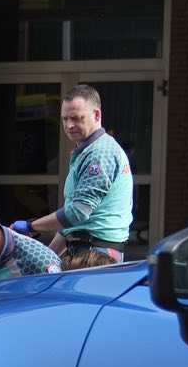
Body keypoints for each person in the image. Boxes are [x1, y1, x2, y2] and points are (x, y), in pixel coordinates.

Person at [13, 85, 132, 264]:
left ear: (97, 115)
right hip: (86, 250)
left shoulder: (100, 153)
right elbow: (71, 225)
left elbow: (77, 214)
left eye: (76, 118)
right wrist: (46, 259)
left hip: (96, 256)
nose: (69, 125)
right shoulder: (87, 151)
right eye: (65, 119)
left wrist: (31, 226)